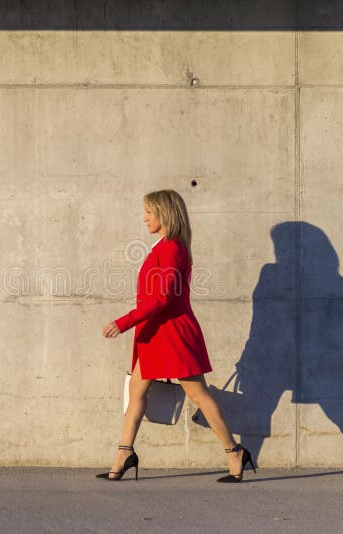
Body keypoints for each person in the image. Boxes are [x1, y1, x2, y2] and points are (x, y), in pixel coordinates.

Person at [98, 189, 256, 482]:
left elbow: (162, 298)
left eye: (148, 212)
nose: (143, 217)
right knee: (136, 391)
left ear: (164, 214)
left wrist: (124, 322)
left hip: (172, 335)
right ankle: (124, 453)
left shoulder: (172, 248)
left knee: (198, 394)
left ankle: (234, 451)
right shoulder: (164, 246)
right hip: (155, 333)